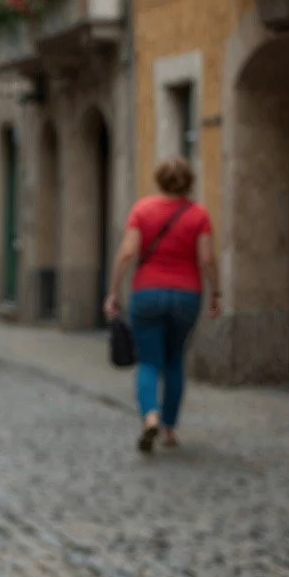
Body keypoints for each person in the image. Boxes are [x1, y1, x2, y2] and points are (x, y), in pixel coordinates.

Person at [104, 156, 220, 452]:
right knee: (174, 361)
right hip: (186, 296)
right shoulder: (199, 215)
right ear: (188, 182)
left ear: (159, 180)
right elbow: (207, 258)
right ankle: (169, 429)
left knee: (149, 362)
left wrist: (114, 291)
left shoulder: (142, 210)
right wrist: (216, 293)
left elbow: (128, 252)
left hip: (147, 293)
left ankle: (150, 417)